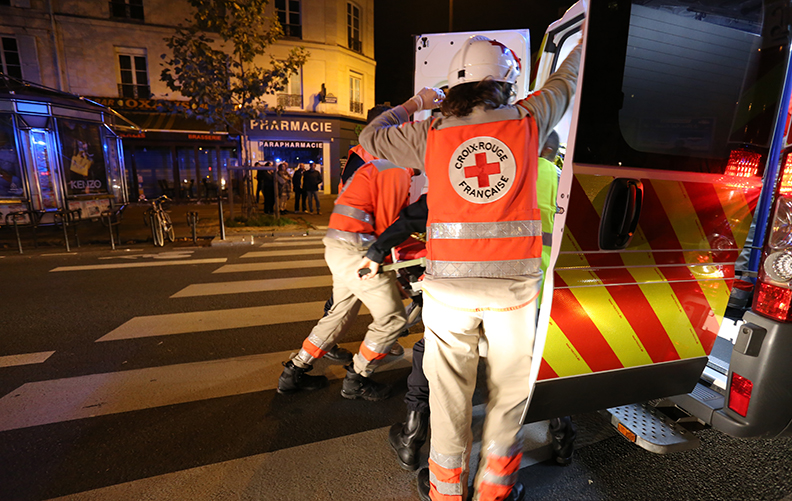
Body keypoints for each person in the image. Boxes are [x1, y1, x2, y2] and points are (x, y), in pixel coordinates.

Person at [359, 35, 581, 501]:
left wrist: (417, 103)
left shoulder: (431, 131)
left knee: (448, 396)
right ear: (507, 82)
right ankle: (495, 492)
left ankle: (445, 490)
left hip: (448, 294)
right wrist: (587, 39)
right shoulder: (529, 118)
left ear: (454, 84)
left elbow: (368, 137)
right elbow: (568, 77)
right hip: (514, 295)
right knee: (508, 396)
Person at [277, 110, 420, 401]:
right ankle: (358, 377)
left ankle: (294, 370)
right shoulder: (395, 171)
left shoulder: (374, 165)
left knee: (339, 314)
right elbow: (389, 230)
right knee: (392, 318)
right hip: (358, 252)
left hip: (338, 248)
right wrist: (413, 258)